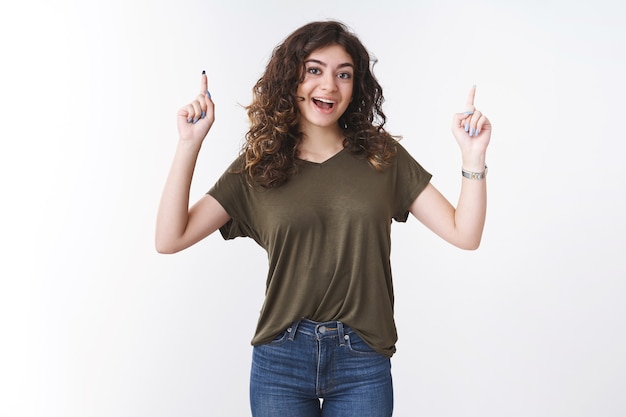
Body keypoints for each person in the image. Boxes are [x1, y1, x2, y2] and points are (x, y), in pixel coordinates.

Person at [156, 20, 490, 417]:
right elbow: (169, 238)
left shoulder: (381, 157)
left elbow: (464, 233)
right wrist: (188, 144)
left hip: (362, 358)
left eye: (343, 74)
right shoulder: (257, 168)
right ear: (291, 79)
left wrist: (473, 158)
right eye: (314, 70)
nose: (329, 86)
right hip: (281, 358)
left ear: (356, 86)